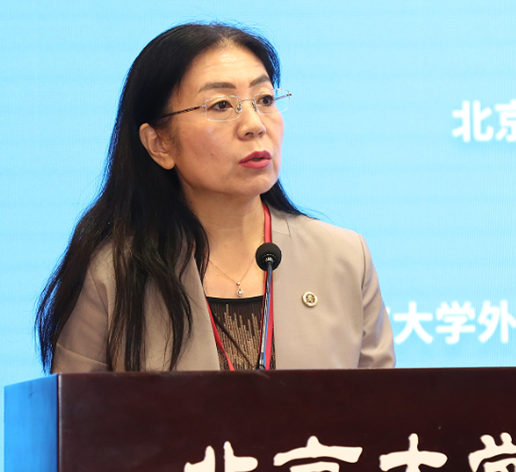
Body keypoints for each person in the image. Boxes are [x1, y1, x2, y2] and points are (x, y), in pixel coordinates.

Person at [36, 23, 394, 373]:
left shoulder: (343, 259)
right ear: (159, 144)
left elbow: (382, 406)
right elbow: (72, 410)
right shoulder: (111, 274)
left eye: (265, 100)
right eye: (222, 105)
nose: (254, 124)